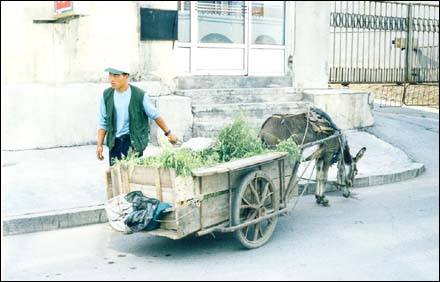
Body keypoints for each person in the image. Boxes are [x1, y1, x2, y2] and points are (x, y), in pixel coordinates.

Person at [97, 64, 177, 166]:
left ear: (126, 77)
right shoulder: (106, 95)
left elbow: (155, 115)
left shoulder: (140, 95)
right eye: (110, 75)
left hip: (132, 142)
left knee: (133, 176)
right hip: (114, 143)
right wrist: (99, 145)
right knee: (115, 176)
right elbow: (103, 122)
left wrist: (169, 133)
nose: (112, 79)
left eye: (116, 75)